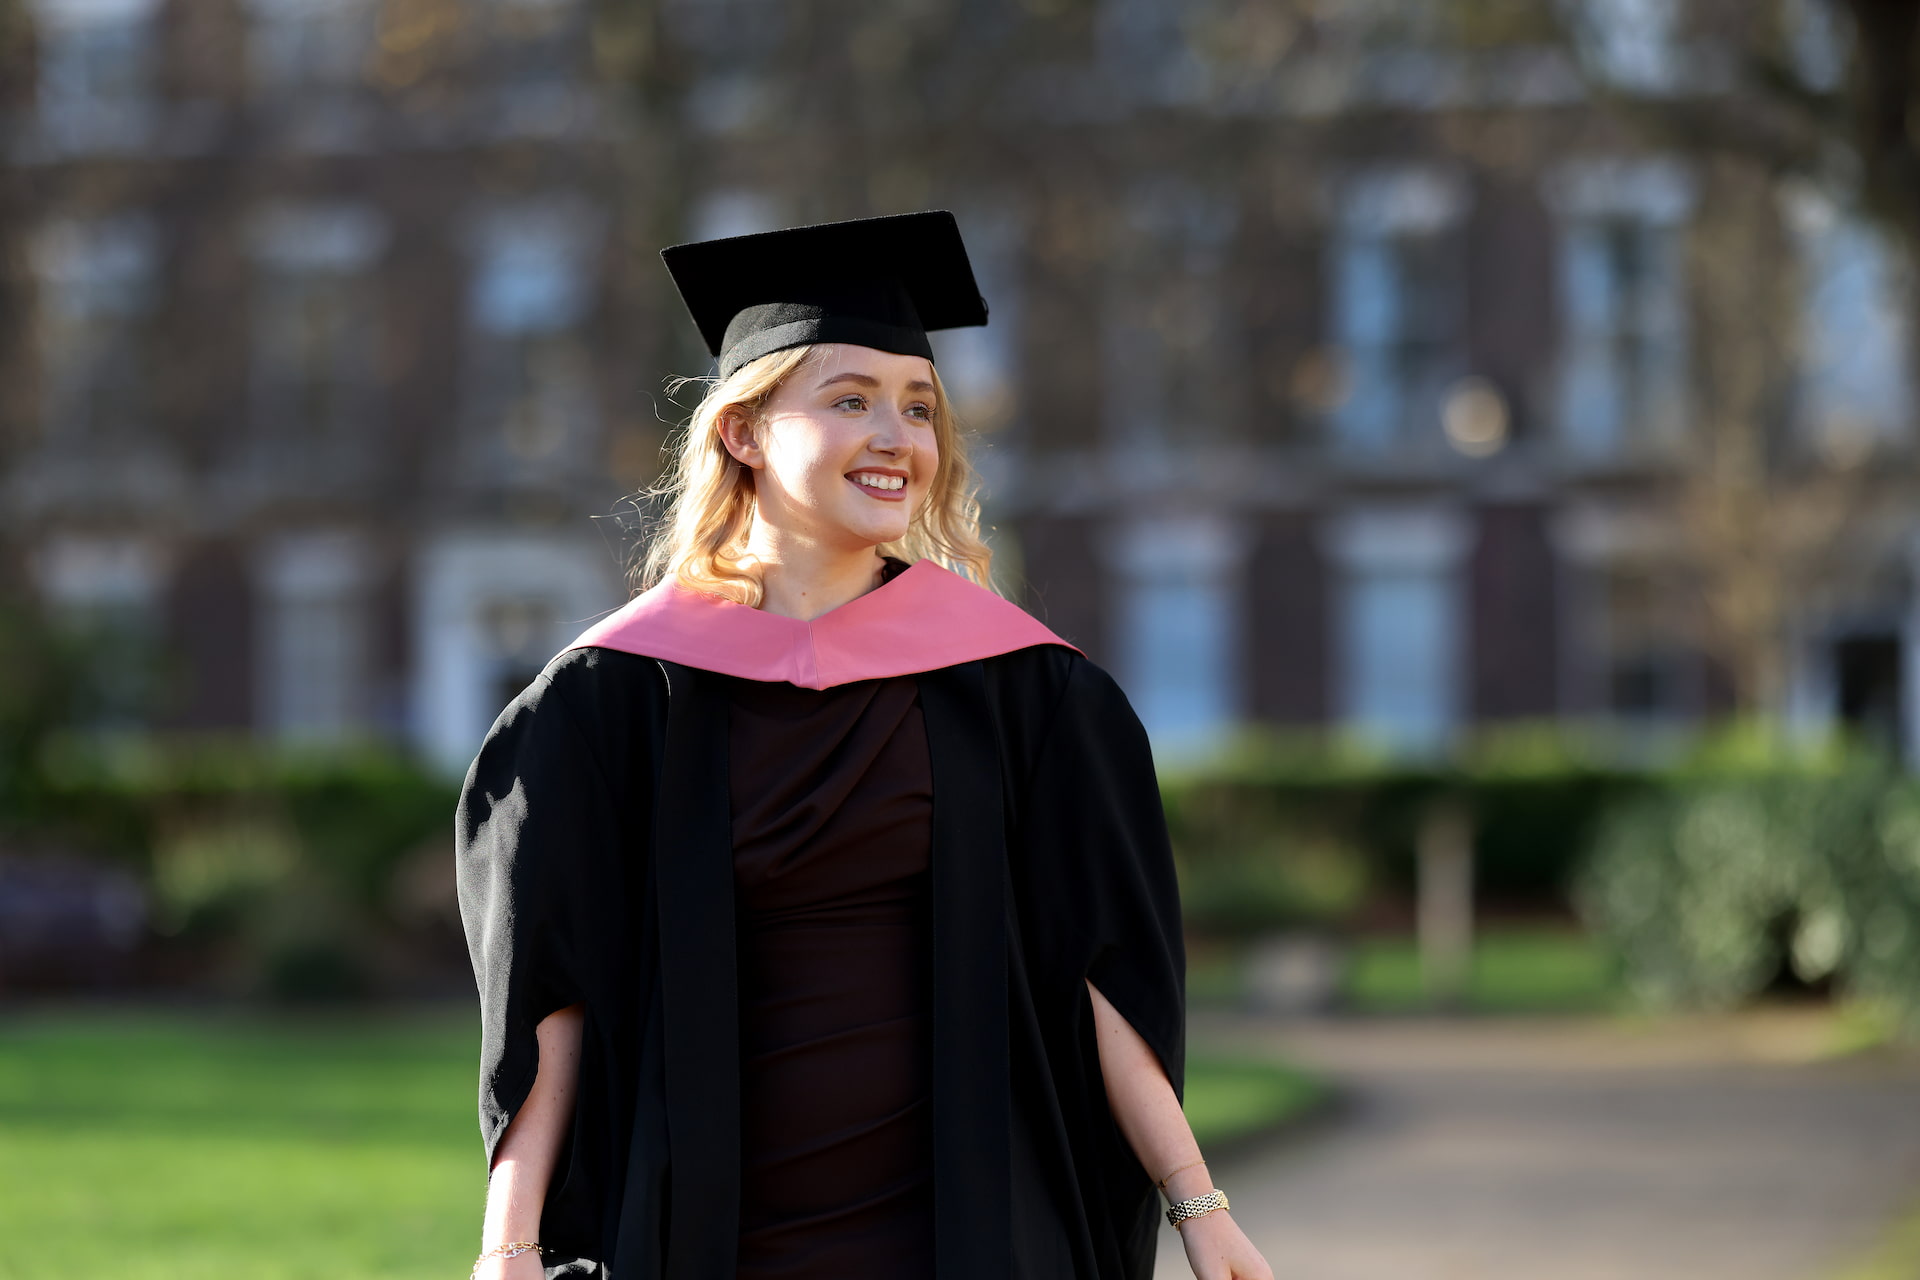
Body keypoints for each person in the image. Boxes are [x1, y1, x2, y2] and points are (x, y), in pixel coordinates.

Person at [455, 211, 1272, 1280]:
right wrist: (509, 1242)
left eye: (919, 406)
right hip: (712, 1229)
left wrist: (1198, 1203)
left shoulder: (1020, 690)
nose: (900, 437)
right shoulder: (614, 699)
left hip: (960, 1229)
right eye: (851, 400)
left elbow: (1096, 976)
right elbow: (550, 992)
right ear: (743, 433)